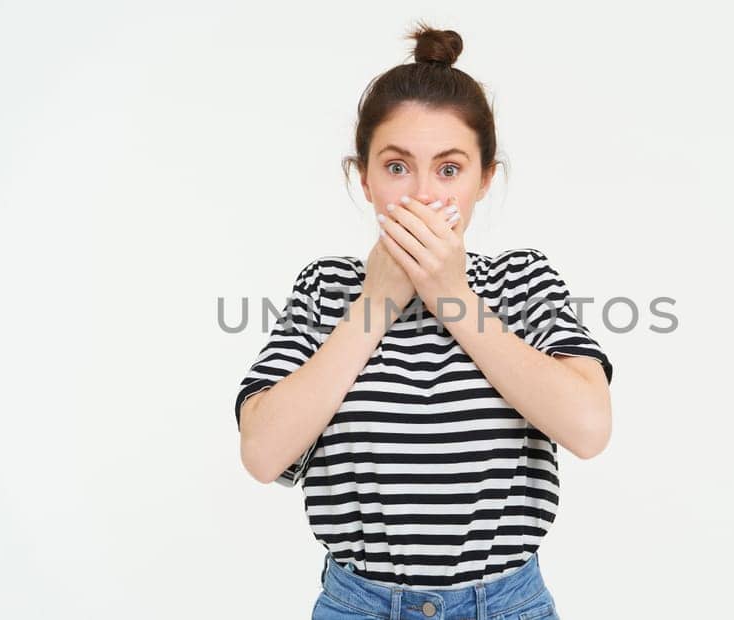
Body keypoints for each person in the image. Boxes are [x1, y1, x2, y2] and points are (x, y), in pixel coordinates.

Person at [234, 22, 613, 620]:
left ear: (484, 178)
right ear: (364, 177)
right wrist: (375, 305)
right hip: (357, 605)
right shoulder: (325, 289)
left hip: (505, 604)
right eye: (396, 167)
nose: (421, 196)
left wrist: (452, 296)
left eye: (448, 169)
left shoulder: (523, 281)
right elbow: (262, 454)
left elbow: (589, 428)